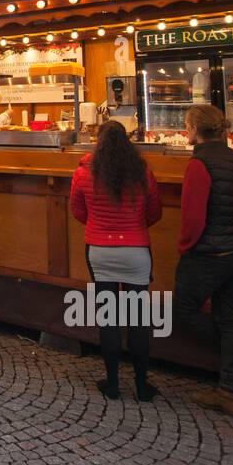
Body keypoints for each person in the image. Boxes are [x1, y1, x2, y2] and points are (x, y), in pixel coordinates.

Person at [174, 104, 233, 416]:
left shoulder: (199, 164)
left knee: (183, 310)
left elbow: (193, 216)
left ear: (193, 130)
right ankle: (232, 392)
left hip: (208, 254)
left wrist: (186, 247)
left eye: (187, 126)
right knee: (228, 318)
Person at [70, 120, 163, 401]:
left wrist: (99, 226)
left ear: (98, 142)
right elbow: (154, 211)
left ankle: (112, 384)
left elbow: (77, 210)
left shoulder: (84, 172)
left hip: (99, 250)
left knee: (108, 318)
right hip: (136, 251)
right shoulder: (142, 172)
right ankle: (141, 385)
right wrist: (133, 227)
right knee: (137, 319)